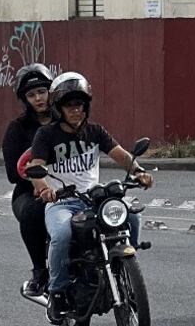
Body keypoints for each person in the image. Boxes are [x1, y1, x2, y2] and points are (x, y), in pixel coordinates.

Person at [26, 72, 153, 322]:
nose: (76, 110)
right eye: (70, 105)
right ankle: (58, 291)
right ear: (59, 108)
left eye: (80, 105)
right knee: (61, 235)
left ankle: (125, 272)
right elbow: (34, 168)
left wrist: (138, 171)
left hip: (94, 199)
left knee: (133, 218)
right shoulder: (47, 135)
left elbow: (120, 155)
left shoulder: (95, 131)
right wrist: (44, 189)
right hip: (62, 201)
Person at [2, 63, 59, 299]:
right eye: (31, 94)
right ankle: (40, 272)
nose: (38, 98)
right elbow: (13, 174)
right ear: (25, 99)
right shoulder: (17, 128)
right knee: (33, 213)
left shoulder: (68, 120)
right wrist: (38, 182)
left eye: (42, 92)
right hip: (29, 192)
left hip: (69, 187)